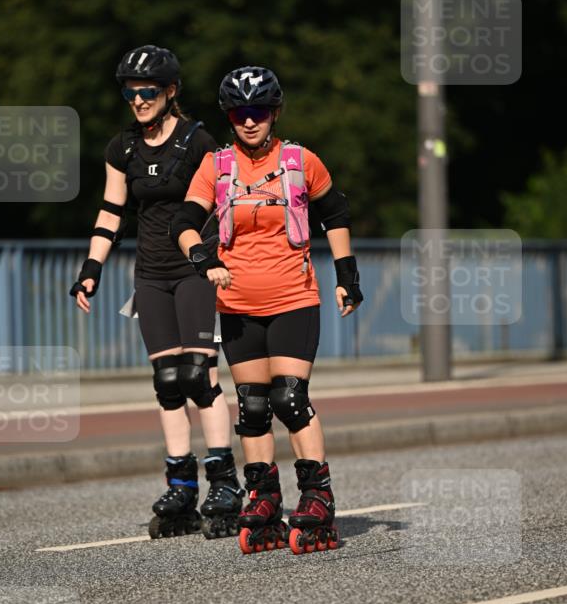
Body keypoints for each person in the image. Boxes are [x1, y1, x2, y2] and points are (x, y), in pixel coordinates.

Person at [171, 66, 363, 555]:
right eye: (239, 113)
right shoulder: (217, 166)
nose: (249, 121)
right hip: (236, 303)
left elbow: (334, 214)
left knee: (289, 400)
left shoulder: (301, 161)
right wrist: (202, 256)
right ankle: (262, 496)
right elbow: (186, 220)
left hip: (294, 299)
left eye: (257, 112)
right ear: (229, 117)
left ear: (274, 113)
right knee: (253, 407)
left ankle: (318, 497)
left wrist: (347, 278)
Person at [70, 45, 243, 539]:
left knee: (197, 374)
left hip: (193, 271)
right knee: (167, 380)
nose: (138, 100)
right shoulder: (121, 148)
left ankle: (225, 482)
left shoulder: (197, 140)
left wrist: (219, 262)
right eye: (130, 92)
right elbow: (111, 212)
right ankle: (181, 484)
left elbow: (218, 204)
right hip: (150, 275)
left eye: (147, 91)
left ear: (171, 92)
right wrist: (91, 269)